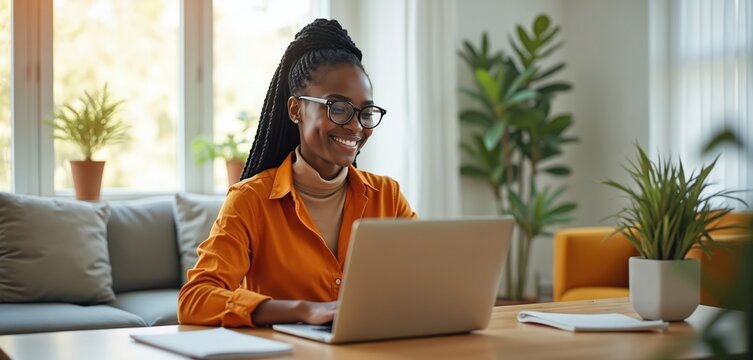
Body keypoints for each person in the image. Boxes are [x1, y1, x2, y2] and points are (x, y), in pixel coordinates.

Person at [177, 19, 416, 328]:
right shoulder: (250, 201)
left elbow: (423, 279)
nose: (356, 126)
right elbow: (196, 299)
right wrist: (302, 310)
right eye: (338, 108)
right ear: (296, 110)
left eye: (366, 112)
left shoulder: (388, 196)